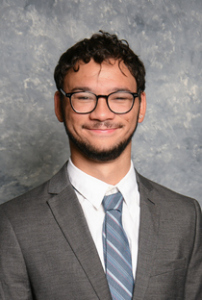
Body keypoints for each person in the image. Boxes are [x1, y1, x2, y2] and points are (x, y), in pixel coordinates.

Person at [0, 31, 201, 300]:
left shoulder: (185, 215)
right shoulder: (14, 223)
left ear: (140, 107)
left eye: (119, 97)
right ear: (60, 106)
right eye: (83, 97)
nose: (102, 114)